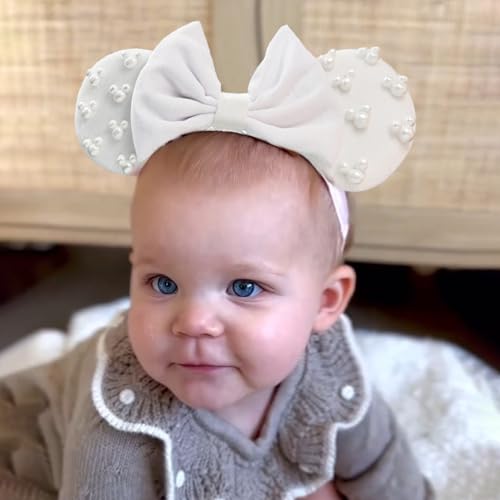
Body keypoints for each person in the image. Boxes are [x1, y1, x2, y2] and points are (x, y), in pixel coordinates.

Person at [0, 21, 431, 499]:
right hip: (30, 448)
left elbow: (387, 474)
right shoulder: (120, 412)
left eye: (244, 288)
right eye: (163, 283)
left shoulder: (332, 376)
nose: (194, 323)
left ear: (326, 302)